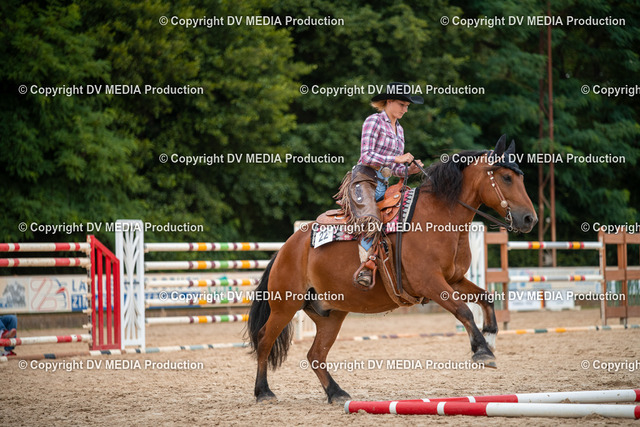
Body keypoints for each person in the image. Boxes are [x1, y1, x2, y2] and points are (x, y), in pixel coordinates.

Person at [336, 82, 425, 288]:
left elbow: (395, 169)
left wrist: (410, 170)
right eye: (402, 104)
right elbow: (366, 156)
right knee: (372, 219)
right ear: (389, 101)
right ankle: (366, 268)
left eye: (407, 106)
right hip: (364, 180)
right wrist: (396, 159)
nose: (405, 109)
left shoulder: (399, 130)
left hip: (384, 184)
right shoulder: (373, 121)